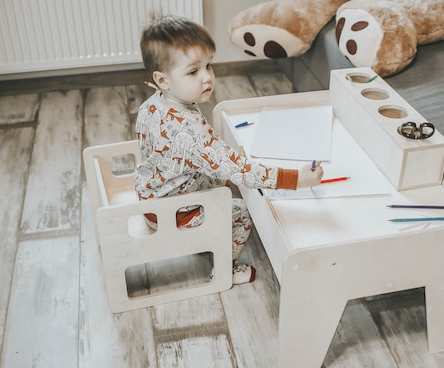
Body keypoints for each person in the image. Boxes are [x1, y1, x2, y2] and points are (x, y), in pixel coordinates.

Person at [135, 15, 324, 285]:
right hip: (174, 213)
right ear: (163, 80)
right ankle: (223, 269)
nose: (207, 78)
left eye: (208, 66)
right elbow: (240, 171)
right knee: (243, 211)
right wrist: (297, 179)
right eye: (193, 71)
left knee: (227, 174)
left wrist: (221, 162)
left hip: (152, 194)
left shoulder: (153, 104)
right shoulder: (188, 131)